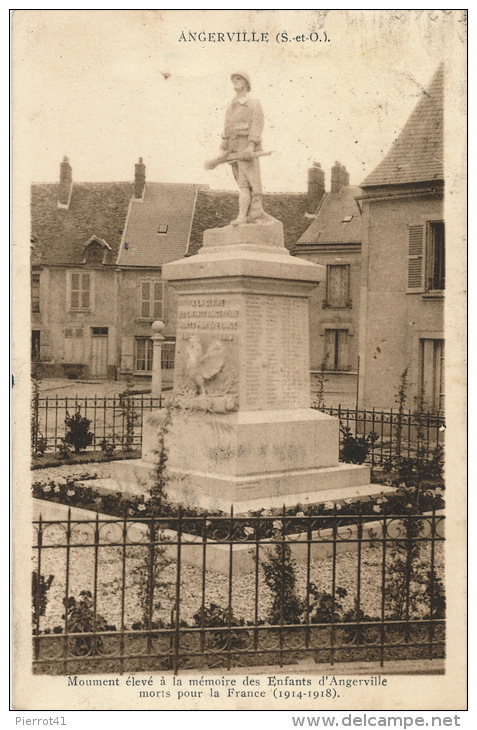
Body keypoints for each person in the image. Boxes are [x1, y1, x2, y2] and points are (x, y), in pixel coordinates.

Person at [220, 72, 270, 225]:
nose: (235, 81)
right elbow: (226, 128)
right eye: (233, 79)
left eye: (238, 79)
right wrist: (223, 147)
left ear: (246, 83)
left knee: (251, 182)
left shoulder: (254, 103)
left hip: (246, 146)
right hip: (233, 148)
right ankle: (244, 215)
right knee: (241, 184)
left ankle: (251, 214)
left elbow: (257, 124)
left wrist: (251, 145)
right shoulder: (231, 105)